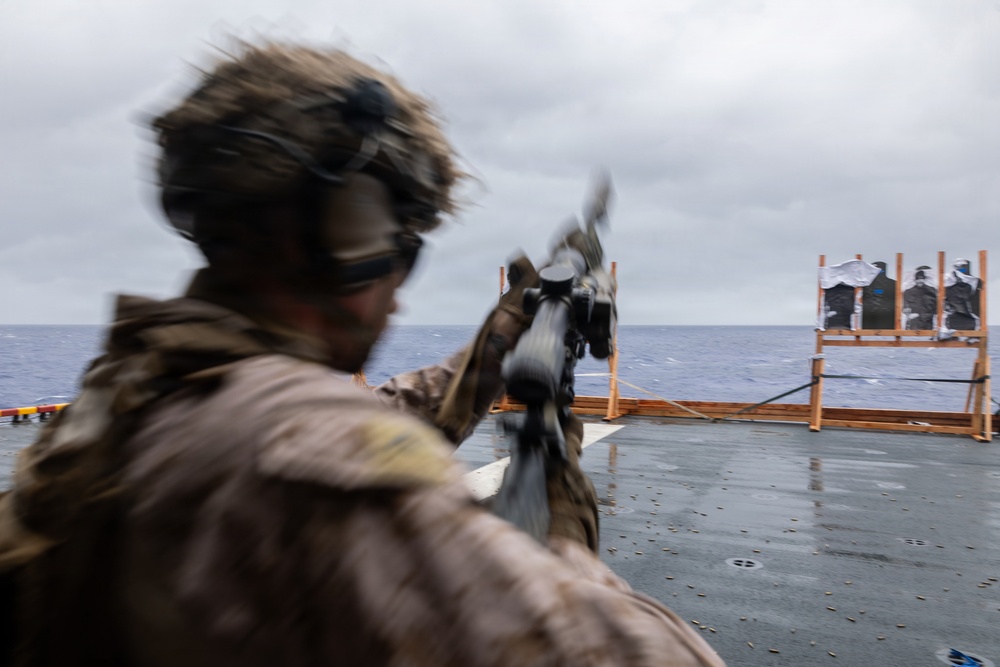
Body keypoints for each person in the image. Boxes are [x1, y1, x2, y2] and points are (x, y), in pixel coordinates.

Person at [0, 42, 725, 666]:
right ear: (344, 225)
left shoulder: (139, 386)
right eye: (398, 245)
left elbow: (367, 417)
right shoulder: (292, 448)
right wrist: (557, 506)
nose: (397, 291)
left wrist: (498, 345)